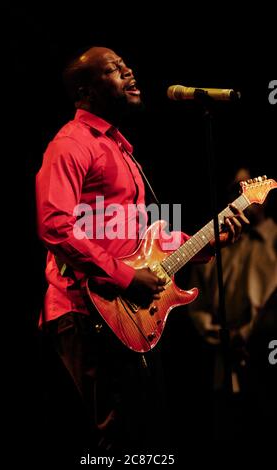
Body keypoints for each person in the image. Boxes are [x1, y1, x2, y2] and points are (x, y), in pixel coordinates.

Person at [35, 47, 249, 455]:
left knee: (148, 439)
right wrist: (125, 277)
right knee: (113, 445)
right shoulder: (71, 144)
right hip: (86, 312)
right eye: (115, 70)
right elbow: (54, 224)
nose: (129, 71)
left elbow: (140, 243)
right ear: (86, 90)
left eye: (126, 66)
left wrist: (205, 242)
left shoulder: (120, 149)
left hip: (126, 319)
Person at [188, 168, 277, 439]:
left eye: (245, 187)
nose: (240, 194)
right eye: (234, 189)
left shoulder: (274, 239)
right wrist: (223, 338)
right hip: (222, 360)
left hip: (268, 354)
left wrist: (250, 334)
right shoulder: (213, 250)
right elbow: (196, 304)